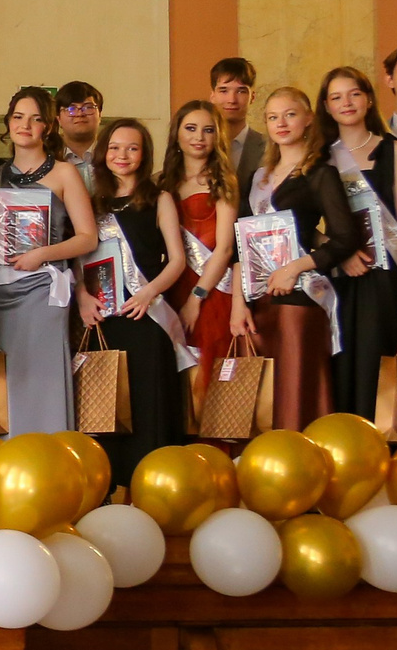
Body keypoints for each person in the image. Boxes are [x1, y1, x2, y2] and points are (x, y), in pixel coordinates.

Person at [230, 86, 364, 431]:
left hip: (301, 295)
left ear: (307, 120)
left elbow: (346, 236)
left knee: (294, 392)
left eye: (290, 114)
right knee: (263, 397)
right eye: (273, 117)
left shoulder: (319, 173)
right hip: (258, 300)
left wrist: (296, 268)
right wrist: (237, 303)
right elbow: (239, 243)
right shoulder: (257, 178)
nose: (281, 123)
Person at [0, 86, 97, 437]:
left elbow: (87, 236)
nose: (25, 125)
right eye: (18, 117)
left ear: (48, 127)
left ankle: (49, 462)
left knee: (43, 380)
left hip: (43, 292)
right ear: (8, 123)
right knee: (6, 384)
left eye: (35, 118)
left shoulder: (64, 174)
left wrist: (41, 254)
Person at [319, 65, 397, 421]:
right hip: (336, 280)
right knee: (339, 366)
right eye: (336, 97)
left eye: (354, 93)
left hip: (386, 280)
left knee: (377, 368)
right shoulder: (318, 156)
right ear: (327, 106)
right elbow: (300, 223)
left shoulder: (392, 150)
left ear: (367, 99)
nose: (346, 102)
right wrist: (340, 250)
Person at [87, 119, 188, 481]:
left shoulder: (159, 198)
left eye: (132, 147)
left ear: (144, 154)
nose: (122, 155)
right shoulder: (91, 201)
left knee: (147, 403)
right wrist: (83, 300)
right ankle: (108, 484)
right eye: (114, 147)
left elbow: (178, 259)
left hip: (145, 315)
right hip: (103, 318)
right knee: (105, 407)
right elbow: (78, 257)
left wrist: (149, 292)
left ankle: (151, 484)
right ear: (103, 153)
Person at [158, 100, 240, 414]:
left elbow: (224, 249)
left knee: (210, 367)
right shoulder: (161, 182)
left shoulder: (223, 182)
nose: (199, 137)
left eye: (208, 130)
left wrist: (196, 298)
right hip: (171, 285)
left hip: (211, 290)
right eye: (190, 128)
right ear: (176, 134)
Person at [211, 57, 266, 194]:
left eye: (241, 91)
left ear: (252, 97)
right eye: (224, 91)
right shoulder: (200, 143)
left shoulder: (269, 146)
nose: (232, 100)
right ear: (212, 96)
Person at [55, 81, 103, 170]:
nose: (80, 114)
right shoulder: (47, 156)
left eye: (88, 107)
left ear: (100, 115)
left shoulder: (113, 154)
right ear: (58, 119)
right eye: (71, 108)